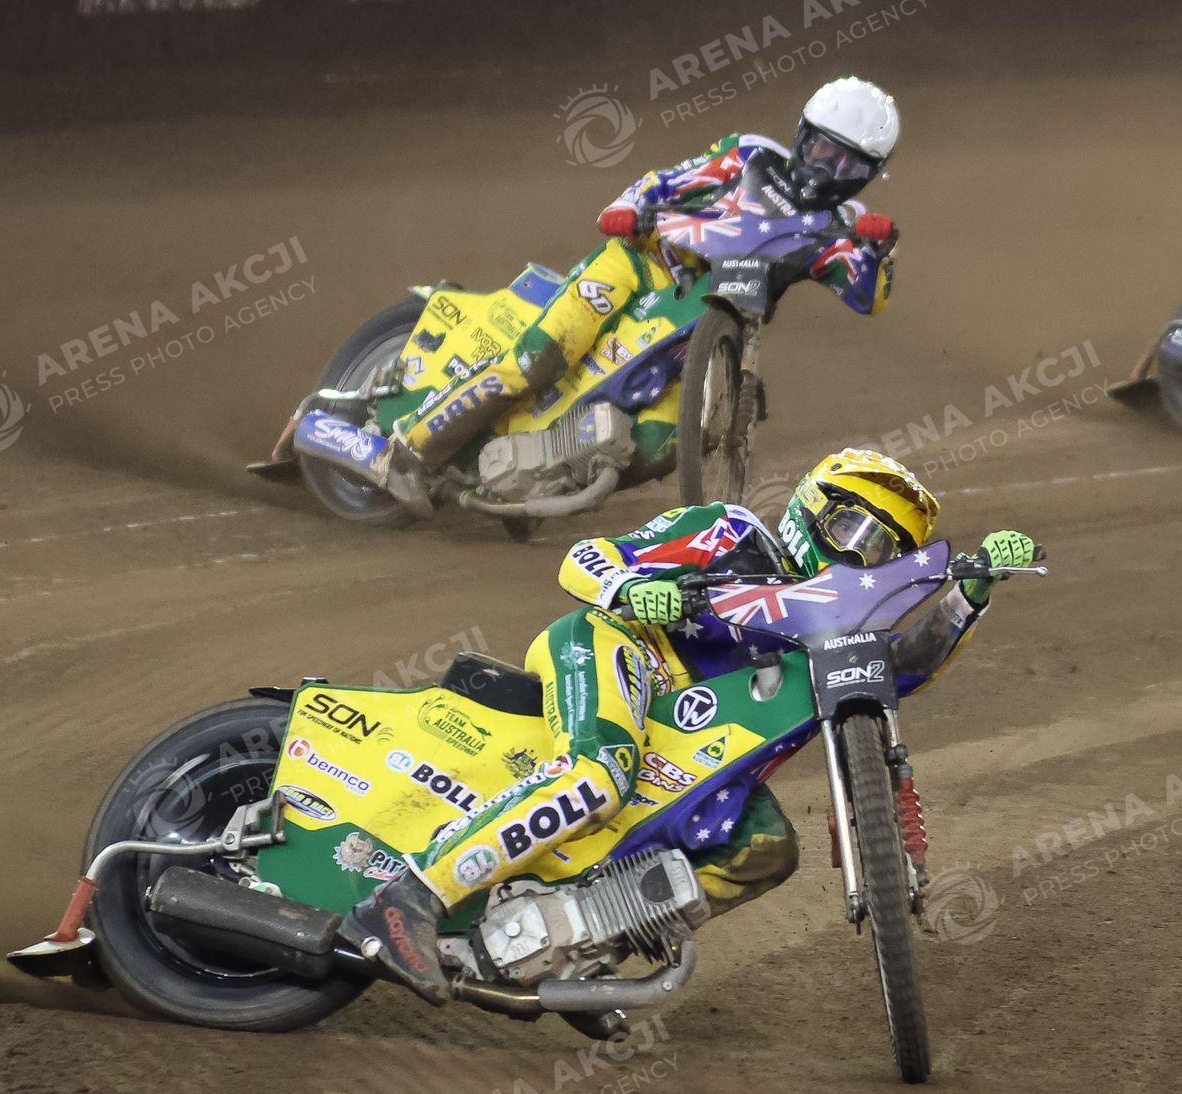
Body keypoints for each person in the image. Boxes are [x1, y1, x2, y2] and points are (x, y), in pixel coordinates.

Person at [342, 448, 1040, 1002]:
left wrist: (970, 592)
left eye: (884, 551)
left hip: (694, 747)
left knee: (765, 847)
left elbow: (904, 667)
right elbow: (586, 558)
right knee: (598, 775)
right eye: (852, 531)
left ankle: (579, 947)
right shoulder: (731, 531)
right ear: (809, 510)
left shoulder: (844, 633)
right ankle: (407, 900)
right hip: (621, 651)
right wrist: (632, 587)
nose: (861, 558)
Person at [368, 77, 904, 516]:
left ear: (870, 175)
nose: (827, 168)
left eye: (848, 165)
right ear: (803, 133)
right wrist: (629, 207)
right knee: (540, 358)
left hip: (705, 327)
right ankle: (407, 453)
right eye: (823, 149)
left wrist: (883, 251)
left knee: (658, 443)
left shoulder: (844, 227)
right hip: (641, 268)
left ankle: (532, 479)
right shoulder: (749, 155)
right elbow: (666, 182)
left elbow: (869, 295)